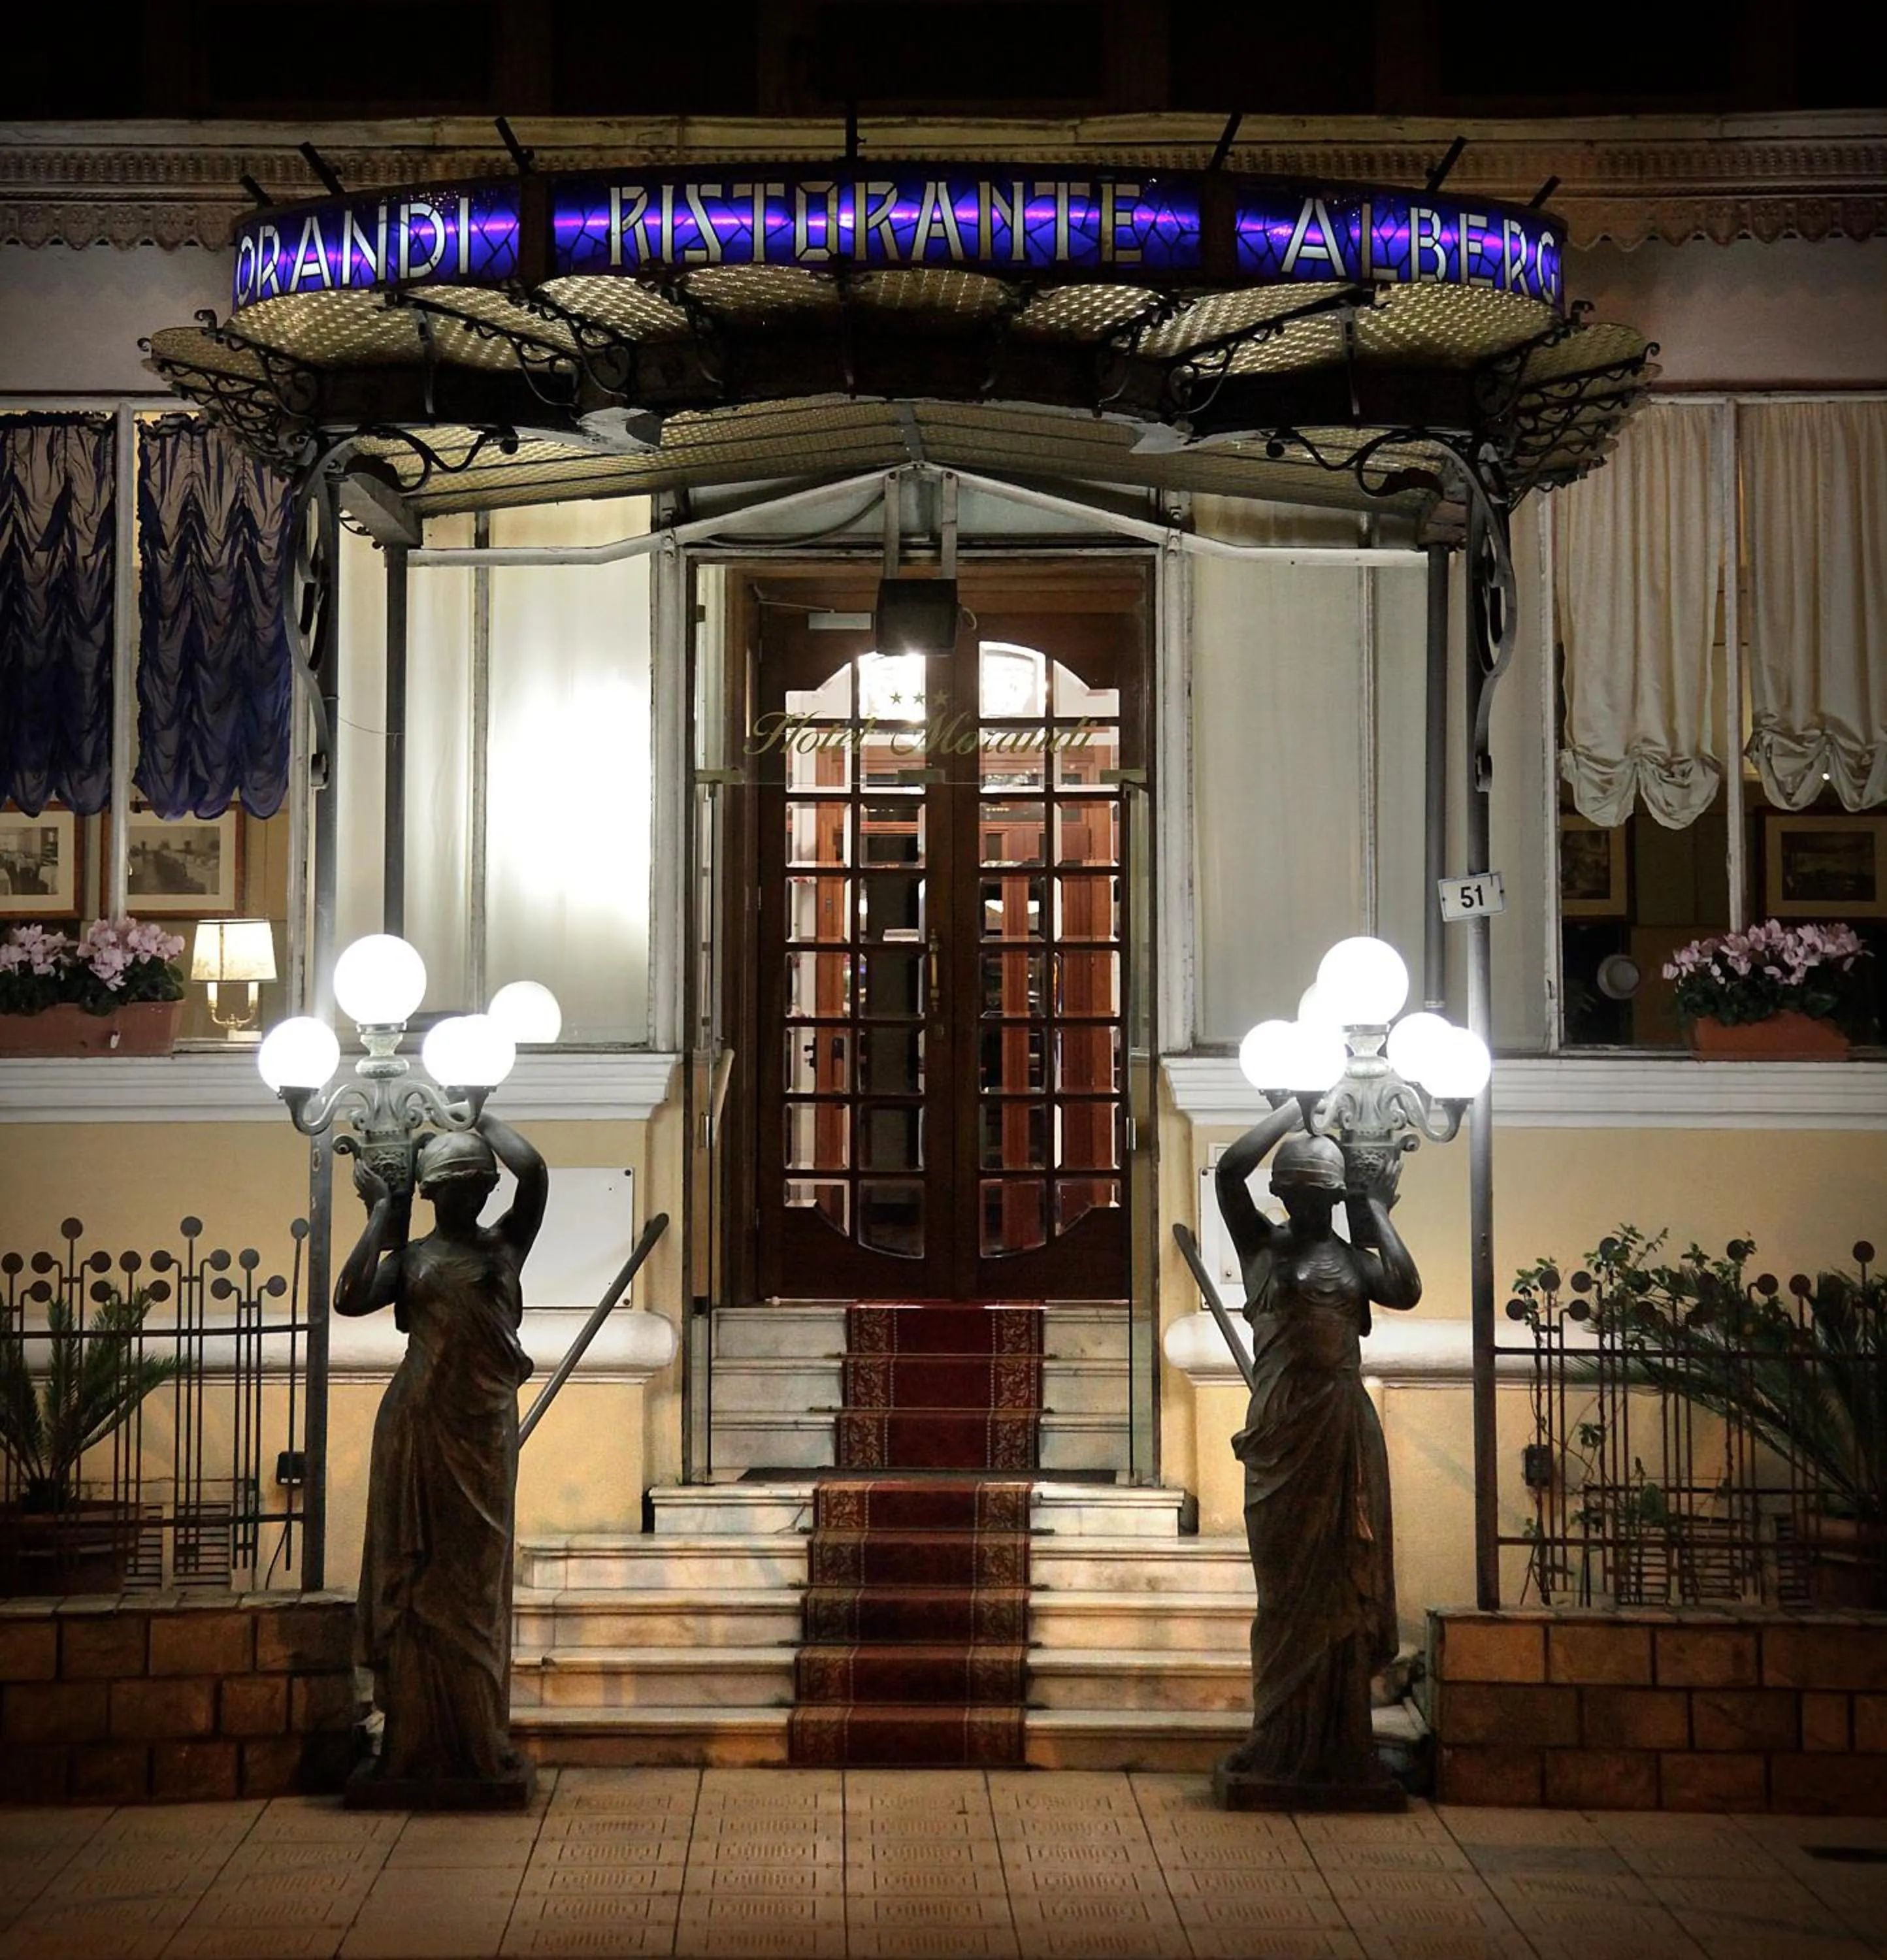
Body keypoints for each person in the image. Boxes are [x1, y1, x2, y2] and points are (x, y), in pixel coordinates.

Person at [335, 1112, 546, 1798]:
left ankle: (478, 1741)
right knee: (415, 1569)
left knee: (474, 1581)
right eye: (456, 1188)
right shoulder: (412, 1261)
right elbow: (347, 1298)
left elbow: (536, 1175)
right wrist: (379, 1216)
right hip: (417, 1422)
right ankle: (414, 1743)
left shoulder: (504, 1248)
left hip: (481, 1426)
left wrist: (476, 1109)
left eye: (478, 1186)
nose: (471, 1198)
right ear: (429, 1193)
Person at [1213, 1102, 1420, 1800]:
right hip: (1279, 1432)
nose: (1301, 1203)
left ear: (1330, 1197)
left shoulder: (1356, 1263)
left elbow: (1406, 1286)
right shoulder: (1262, 1250)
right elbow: (1231, 1172)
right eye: (1292, 1192)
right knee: (1282, 1592)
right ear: (1280, 1195)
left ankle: (1339, 1746)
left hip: (1338, 1427)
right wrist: (1292, 1110)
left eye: (1315, 1194)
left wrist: (1372, 1207)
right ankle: (1276, 1737)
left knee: (1340, 1582)